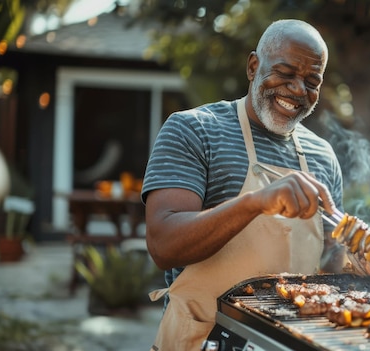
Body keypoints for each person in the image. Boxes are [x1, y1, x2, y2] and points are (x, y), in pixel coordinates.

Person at [141, 19, 349, 349]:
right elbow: (163, 246)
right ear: (254, 66)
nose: (298, 89)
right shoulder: (193, 130)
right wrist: (254, 203)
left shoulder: (322, 155)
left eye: (312, 81)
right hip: (203, 338)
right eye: (285, 72)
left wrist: (353, 256)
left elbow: (328, 260)